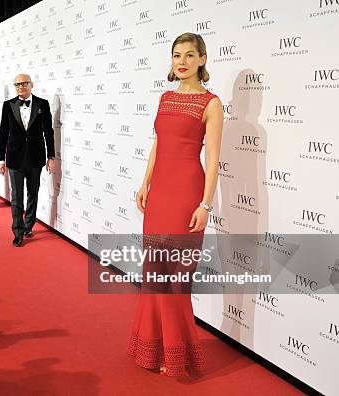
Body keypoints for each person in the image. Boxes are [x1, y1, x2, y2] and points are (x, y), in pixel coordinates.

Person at [130, 32, 223, 377]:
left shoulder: (211, 103)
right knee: (153, 273)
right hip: (159, 195)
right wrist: (145, 184)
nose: (181, 61)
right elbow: (158, 145)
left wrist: (205, 205)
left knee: (177, 279)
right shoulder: (165, 98)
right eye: (176, 55)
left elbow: (212, 159)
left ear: (202, 59)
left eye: (188, 55)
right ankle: (152, 349)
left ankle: (176, 352)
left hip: (187, 194)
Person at [0, 73, 55, 247]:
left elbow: (49, 132)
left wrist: (50, 156)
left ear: (32, 85)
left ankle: (29, 225)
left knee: (33, 193)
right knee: (16, 196)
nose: (20, 87)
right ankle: (18, 230)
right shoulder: (8, 105)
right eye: (17, 85)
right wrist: (1, 159)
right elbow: (2, 133)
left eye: (23, 84)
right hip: (14, 158)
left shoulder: (42, 104)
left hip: (36, 157)